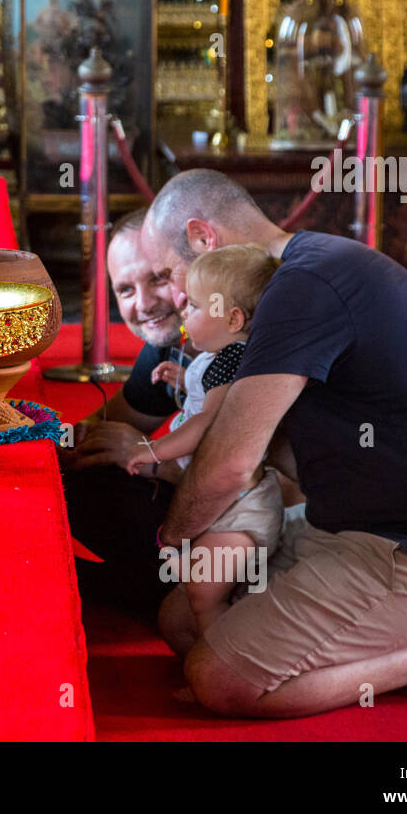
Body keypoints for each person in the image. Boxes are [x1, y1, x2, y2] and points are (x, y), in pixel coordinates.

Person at [141, 168, 407, 717]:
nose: (173, 294)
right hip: (349, 524)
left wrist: (171, 541)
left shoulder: (302, 285)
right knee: (181, 621)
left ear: (204, 239)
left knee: (218, 679)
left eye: (170, 272)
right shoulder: (309, 265)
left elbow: (230, 463)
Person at [127, 244, 284, 635]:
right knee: (196, 598)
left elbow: (206, 425)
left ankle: (219, 665)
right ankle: (210, 660)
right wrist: (184, 380)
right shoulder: (223, 358)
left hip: (241, 510)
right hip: (232, 506)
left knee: (203, 593)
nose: (183, 313)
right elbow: (214, 397)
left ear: (232, 319)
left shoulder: (233, 357)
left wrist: (154, 450)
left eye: (194, 307)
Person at [58, 209, 195, 617]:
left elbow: (274, 489)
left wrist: (156, 460)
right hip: (192, 515)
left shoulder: (246, 339)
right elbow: (105, 428)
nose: (145, 304)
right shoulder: (173, 339)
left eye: (157, 279)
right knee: (73, 478)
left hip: (273, 533)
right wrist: (41, 441)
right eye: (126, 290)